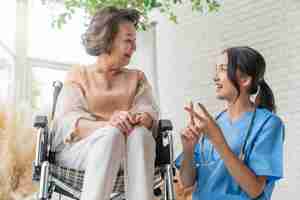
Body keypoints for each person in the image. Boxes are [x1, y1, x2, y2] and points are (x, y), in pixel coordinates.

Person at [52, 6, 159, 200]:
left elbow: (149, 111)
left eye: (134, 42)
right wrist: (109, 125)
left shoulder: (137, 78)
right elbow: (69, 122)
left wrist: (143, 118)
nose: (134, 47)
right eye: (128, 41)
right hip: (82, 152)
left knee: (141, 133)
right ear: (108, 39)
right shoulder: (79, 74)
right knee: (111, 134)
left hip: (128, 154)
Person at [175, 46, 284, 200]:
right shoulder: (213, 124)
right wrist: (188, 150)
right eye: (216, 69)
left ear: (245, 79)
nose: (215, 77)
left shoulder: (268, 124)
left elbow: (255, 189)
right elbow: (186, 182)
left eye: (223, 69)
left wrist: (217, 140)